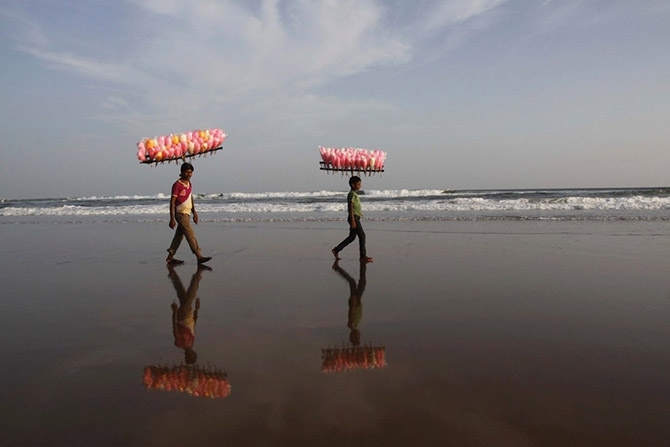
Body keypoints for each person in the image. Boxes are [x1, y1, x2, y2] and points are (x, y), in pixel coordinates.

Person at [166, 162, 212, 265]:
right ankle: (198, 256)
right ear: (181, 172)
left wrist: (194, 212)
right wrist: (172, 218)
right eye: (186, 172)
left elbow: (190, 199)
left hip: (187, 213)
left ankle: (170, 257)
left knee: (179, 236)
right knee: (190, 234)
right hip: (180, 214)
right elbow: (172, 202)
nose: (189, 174)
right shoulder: (177, 185)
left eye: (190, 172)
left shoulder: (189, 184)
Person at [332, 176, 373, 263]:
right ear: (353, 185)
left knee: (352, 237)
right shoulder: (352, 194)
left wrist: (359, 212)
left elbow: (355, 206)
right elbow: (350, 207)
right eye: (358, 184)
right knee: (362, 236)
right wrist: (353, 220)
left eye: (360, 184)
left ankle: (336, 249)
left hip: (355, 216)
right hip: (353, 218)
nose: (360, 186)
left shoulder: (354, 194)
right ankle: (363, 256)